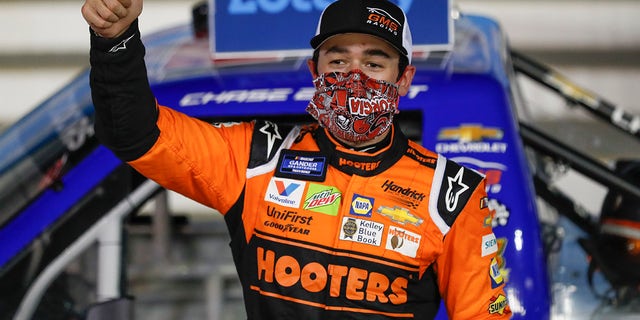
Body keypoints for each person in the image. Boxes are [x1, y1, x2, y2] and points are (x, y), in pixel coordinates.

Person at [81, 0, 511, 318]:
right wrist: (115, 41)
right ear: (314, 72)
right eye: (338, 60)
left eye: (375, 62)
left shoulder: (452, 195)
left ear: (404, 80)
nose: (354, 77)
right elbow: (136, 133)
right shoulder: (257, 160)